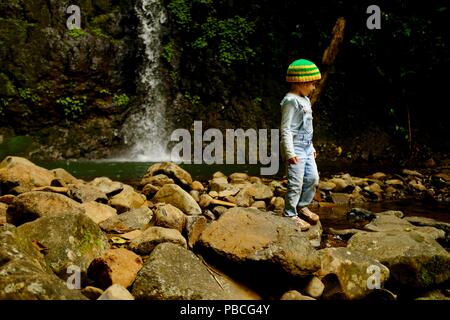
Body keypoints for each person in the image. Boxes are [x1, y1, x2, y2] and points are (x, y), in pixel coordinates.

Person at [280, 58, 321, 231]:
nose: (313, 88)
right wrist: (290, 153)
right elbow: (286, 129)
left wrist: (311, 148)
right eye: (312, 84)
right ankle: (290, 214)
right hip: (295, 148)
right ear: (300, 82)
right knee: (295, 182)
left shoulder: (305, 100)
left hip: (305, 147)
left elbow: (307, 128)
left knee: (313, 178)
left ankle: (302, 205)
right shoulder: (291, 101)